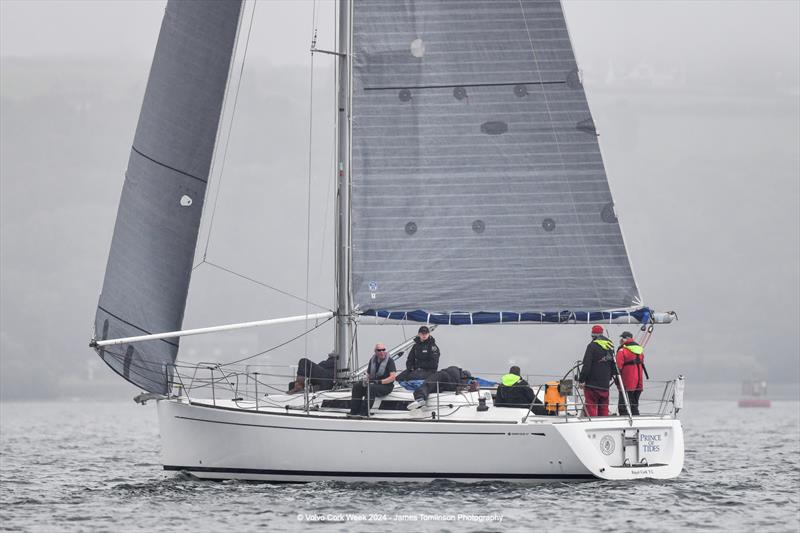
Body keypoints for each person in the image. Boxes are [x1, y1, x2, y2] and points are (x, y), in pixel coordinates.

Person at [577, 325, 618, 417]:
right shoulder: (610, 346)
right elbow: (614, 365)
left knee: (591, 406)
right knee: (603, 408)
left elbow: (586, 365)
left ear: (593, 335)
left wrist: (581, 380)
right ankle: (603, 426)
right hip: (605, 385)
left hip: (592, 385)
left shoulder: (592, 346)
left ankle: (590, 424)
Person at [349, 343, 397, 416]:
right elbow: (369, 374)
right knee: (357, 386)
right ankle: (354, 411)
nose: (382, 352)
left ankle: (364, 412)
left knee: (372, 388)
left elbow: (392, 377)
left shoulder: (390, 361)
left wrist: (379, 382)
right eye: (379, 350)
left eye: (383, 350)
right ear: (375, 352)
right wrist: (365, 380)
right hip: (374, 383)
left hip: (386, 386)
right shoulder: (373, 360)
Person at [407, 365, 477, 410]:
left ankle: (420, 398)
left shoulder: (456, 370)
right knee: (433, 387)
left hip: (443, 376)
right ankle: (422, 399)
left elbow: (447, 371)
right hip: (446, 385)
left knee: (428, 384)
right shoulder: (463, 381)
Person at [616, 331, 648, 415]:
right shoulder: (640, 350)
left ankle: (624, 421)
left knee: (623, 406)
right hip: (638, 382)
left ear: (624, 339)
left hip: (626, 383)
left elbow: (617, 367)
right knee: (634, 405)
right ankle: (636, 421)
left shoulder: (622, 350)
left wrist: (616, 379)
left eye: (621, 338)